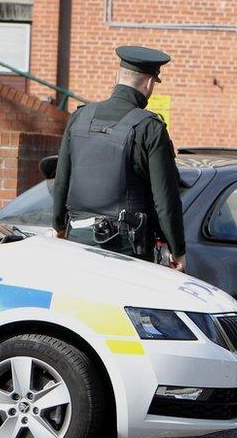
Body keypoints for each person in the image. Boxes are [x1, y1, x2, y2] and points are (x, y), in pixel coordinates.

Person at [52, 46, 186, 271]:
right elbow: (165, 199)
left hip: (78, 237)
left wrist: (59, 226)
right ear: (149, 83)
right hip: (127, 247)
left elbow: (61, 179)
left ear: (118, 77)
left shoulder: (79, 117)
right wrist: (177, 249)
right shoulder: (149, 127)